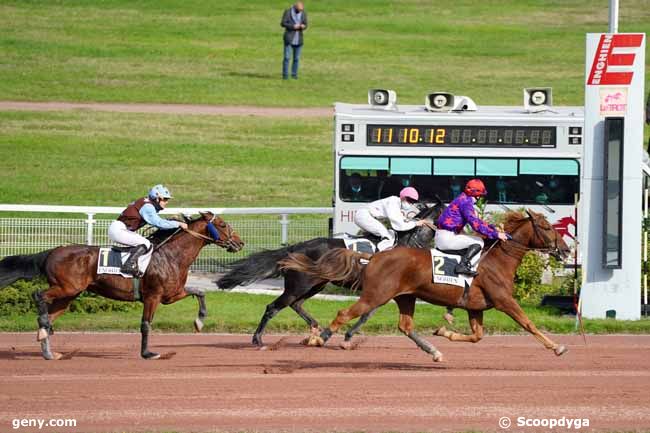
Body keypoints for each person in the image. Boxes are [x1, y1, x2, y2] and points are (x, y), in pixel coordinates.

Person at [108, 185, 188, 277]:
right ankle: (128, 266)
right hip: (119, 230)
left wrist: (171, 222)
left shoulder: (146, 203)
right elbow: (158, 223)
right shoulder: (148, 207)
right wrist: (178, 224)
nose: (167, 202)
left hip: (120, 229)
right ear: (157, 199)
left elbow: (159, 223)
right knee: (146, 243)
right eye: (165, 199)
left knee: (145, 242)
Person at [435, 179, 509, 276]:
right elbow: (475, 225)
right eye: (481, 195)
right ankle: (462, 266)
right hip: (447, 238)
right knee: (479, 242)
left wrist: (493, 229)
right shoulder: (466, 202)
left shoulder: (462, 198)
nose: (481, 198)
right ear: (477, 195)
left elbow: (477, 221)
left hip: (442, 236)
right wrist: (496, 234)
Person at [354, 187, 431, 251]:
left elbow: (403, 220)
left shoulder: (397, 204)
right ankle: (378, 256)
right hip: (364, 216)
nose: (411, 203)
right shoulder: (393, 202)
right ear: (403, 197)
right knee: (387, 236)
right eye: (410, 200)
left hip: (367, 216)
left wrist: (416, 221)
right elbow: (399, 225)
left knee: (389, 234)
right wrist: (416, 223)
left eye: (413, 202)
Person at [281, 2, 307, 80]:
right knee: (287, 58)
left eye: (301, 10)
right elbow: (283, 23)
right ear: (295, 7)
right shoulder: (288, 12)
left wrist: (303, 26)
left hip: (299, 39)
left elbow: (306, 24)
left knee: (296, 59)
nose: (300, 12)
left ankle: (294, 75)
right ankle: (285, 75)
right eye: (298, 10)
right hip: (289, 38)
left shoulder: (303, 13)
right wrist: (293, 26)